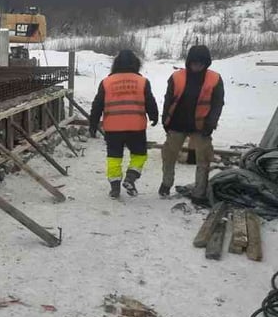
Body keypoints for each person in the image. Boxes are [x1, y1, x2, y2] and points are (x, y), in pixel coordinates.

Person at [159, 45, 225, 206]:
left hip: (201, 126)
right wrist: (165, 120)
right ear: (189, 62)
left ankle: (199, 192)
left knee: (203, 160)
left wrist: (211, 124)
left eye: (201, 63)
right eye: (194, 62)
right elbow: (168, 100)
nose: (197, 66)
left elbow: (217, 104)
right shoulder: (176, 77)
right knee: (169, 156)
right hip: (177, 124)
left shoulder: (215, 79)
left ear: (206, 63)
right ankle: (166, 184)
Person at [89, 50, 159, 198]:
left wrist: (93, 124)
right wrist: (154, 116)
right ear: (136, 64)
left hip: (113, 128)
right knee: (139, 155)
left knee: (114, 157)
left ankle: (115, 188)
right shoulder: (142, 82)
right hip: (136, 127)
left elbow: (97, 105)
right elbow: (150, 102)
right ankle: (131, 177)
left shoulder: (107, 82)